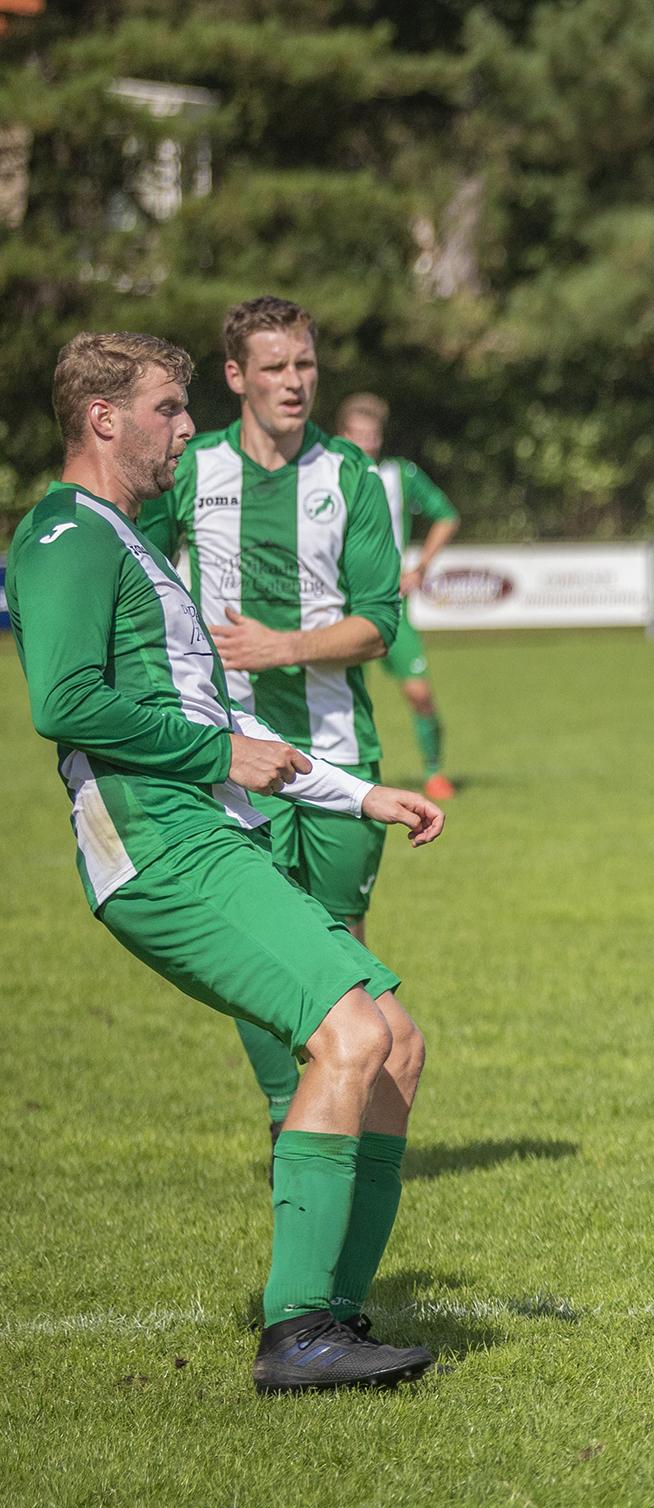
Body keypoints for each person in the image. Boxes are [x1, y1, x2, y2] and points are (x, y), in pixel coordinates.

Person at [9, 331, 446, 1391]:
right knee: (347, 1028)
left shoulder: (126, 535)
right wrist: (224, 752)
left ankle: (336, 1310)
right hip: (160, 843)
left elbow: (224, 731)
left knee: (393, 1041)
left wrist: (355, 792)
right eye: (165, 408)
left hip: (212, 828)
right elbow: (63, 704)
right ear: (103, 418)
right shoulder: (66, 531)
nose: (181, 429)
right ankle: (297, 1332)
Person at [139, 297, 404, 1140]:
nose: (295, 383)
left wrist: (282, 646)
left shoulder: (349, 477)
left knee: (343, 961)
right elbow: (133, 566)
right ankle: (290, 1118)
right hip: (232, 755)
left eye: (306, 366)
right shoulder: (188, 470)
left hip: (336, 750)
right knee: (259, 957)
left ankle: (342, 1126)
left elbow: (379, 622)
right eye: (276, 367)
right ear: (235, 376)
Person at [334, 392, 460, 803]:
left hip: (390, 603)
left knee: (419, 693)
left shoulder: (399, 476)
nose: (367, 444)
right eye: (358, 436)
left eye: (373, 436)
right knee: (341, 701)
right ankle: (340, 782)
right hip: (338, 607)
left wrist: (419, 569)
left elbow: (446, 515)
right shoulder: (323, 476)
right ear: (342, 436)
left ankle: (434, 771)